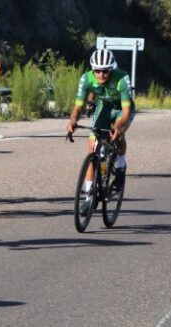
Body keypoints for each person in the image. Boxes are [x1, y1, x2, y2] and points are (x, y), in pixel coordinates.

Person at [66, 48, 134, 215]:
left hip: (122, 109)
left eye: (105, 71)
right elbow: (78, 106)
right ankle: (89, 197)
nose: (101, 74)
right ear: (92, 69)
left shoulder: (121, 79)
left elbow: (126, 112)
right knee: (93, 149)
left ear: (111, 69)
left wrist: (118, 126)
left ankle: (120, 166)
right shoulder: (87, 78)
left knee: (118, 132)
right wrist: (73, 120)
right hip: (105, 106)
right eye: (97, 70)